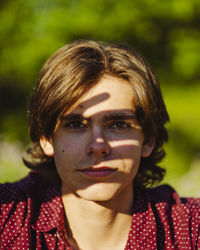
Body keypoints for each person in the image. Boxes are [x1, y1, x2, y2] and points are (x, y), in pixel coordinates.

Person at [0, 40, 199, 250]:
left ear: (148, 140)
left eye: (119, 125)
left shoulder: (189, 230)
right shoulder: (9, 219)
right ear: (46, 138)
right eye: (76, 124)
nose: (98, 146)